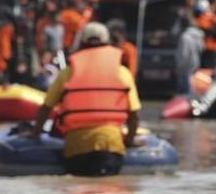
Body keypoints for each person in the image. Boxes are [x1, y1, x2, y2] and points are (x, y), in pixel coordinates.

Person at [30, 22, 141, 177]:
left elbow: (46, 109)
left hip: (77, 147)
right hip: (110, 145)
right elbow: (134, 115)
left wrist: (35, 135)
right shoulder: (122, 72)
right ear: (108, 43)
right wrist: (129, 140)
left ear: (81, 43)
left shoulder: (67, 73)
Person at [175, 13, 205, 96]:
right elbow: (201, 48)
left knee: (186, 91)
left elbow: (184, 54)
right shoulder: (199, 36)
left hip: (186, 67)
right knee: (193, 88)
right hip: (196, 64)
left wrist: (179, 66)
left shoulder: (185, 37)